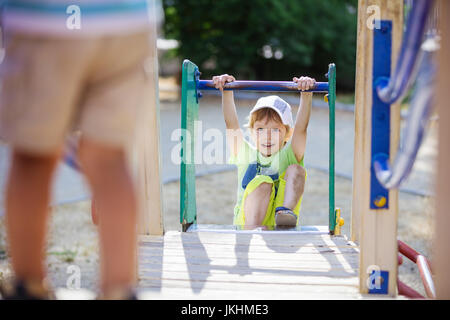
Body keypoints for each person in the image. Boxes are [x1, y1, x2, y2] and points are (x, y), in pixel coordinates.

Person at [0, 0, 156, 299]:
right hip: (126, 22)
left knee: (34, 156)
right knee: (111, 158)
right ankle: (118, 288)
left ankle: (28, 284)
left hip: (46, 21)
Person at [212, 74, 315, 228]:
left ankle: (285, 215)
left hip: (276, 219)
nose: (267, 136)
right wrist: (226, 91)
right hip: (249, 221)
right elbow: (231, 125)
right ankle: (253, 229)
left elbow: (301, 129)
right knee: (263, 181)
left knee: (297, 170)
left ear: (287, 134)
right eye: (260, 129)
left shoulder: (288, 155)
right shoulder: (245, 154)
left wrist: (306, 95)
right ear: (252, 132)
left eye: (275, 130)